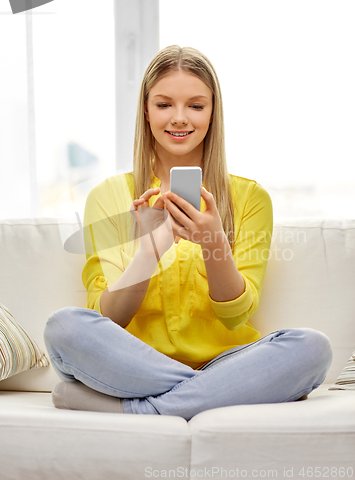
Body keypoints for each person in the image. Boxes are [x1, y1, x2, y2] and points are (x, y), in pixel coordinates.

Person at [44, 45, 332, 420]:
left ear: (213, 114)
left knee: (312, 348)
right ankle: (203, 397)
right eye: (164, 104)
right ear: (145, 111)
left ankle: (142, 408)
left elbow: (235, 317)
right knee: (64, 326)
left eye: (196, 106)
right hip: (133, 364)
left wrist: (214, 242)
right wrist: (151, 248)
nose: (179, 118)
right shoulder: (110, 196)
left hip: (226, 363)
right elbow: (109, 319)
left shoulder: (250, 198)